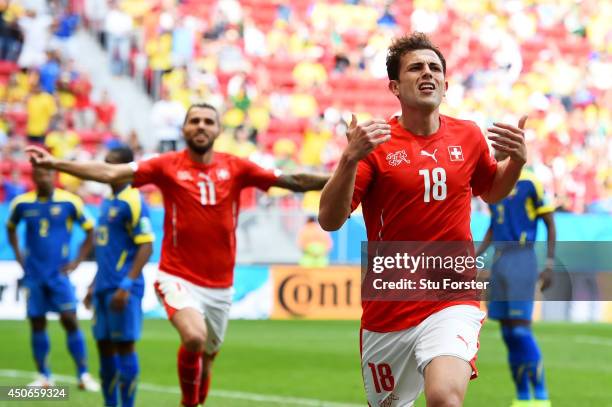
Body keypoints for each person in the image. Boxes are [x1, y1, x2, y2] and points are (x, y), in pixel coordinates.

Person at [26, 102, 329, 407]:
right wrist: (55, 164)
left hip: (221, 286)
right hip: (177, 276)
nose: (201, 126)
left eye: (208, 121)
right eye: (194, 120)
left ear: (218, 130)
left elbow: (296, 182)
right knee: (194, 338)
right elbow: (109, 171)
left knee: (207, 361)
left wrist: (345, 174)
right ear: (183, 129)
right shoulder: (166, 165)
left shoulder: (237, 167)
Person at [318, 32, 528, 407]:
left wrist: (517, 162)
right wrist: (349, 158)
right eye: (416, 67)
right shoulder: (375, 143)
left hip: (453, 295)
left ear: (445, 85)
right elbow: (330, 220)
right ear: (395, 87)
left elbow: (492, 190)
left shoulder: (469, 135)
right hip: (390, 307)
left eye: (434, 68)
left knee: (445, 398)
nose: (427, 73)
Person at [6, 166, 99, 391]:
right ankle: (44, 377)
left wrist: (77, 261)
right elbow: (10, 228)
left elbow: (90, 230)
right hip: (34, 276)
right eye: (40, 174)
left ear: (54, 176)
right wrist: (20, 258)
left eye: (48, 174)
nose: (44, 177)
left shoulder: (70, 202)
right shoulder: (21, 203)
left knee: (70, 320)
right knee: (37, 323)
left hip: (59, 275)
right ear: (34, 178)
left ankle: (83, 375)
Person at [475, 153, 555, 407]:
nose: (493, 153)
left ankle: (541, 395)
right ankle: (522, 396)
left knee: (521, 329)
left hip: (522, 257)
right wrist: (474, 257)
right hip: (500, 259)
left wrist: (550, 264)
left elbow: (550, 224)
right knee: (508, 333)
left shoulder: (530, 182)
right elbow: (493, 226)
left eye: (498, 149)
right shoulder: (494, 186)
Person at [82, 146, 153, 407]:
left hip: (123, 288)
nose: (106, 168)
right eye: (105, 162)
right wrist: (92, 284)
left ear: (124, 168)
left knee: (124, 346)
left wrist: (126, 284)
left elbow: (146, 246)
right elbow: (107, 251)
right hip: (102, 287)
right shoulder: (107, 202)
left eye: (111, 163)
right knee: (103, 347)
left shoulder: (134, 200)